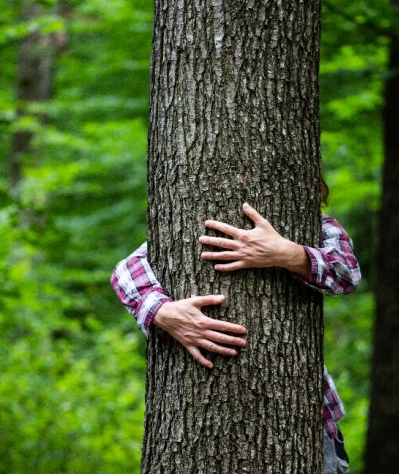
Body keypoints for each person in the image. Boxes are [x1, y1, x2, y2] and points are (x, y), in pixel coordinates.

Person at [110, 201, 361, 474]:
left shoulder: (316, 226)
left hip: (309, 427)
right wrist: (162, 311)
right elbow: (126, 270)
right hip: (196, 428)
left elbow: (347, 273)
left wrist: (287, 253)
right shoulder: (200, 225)